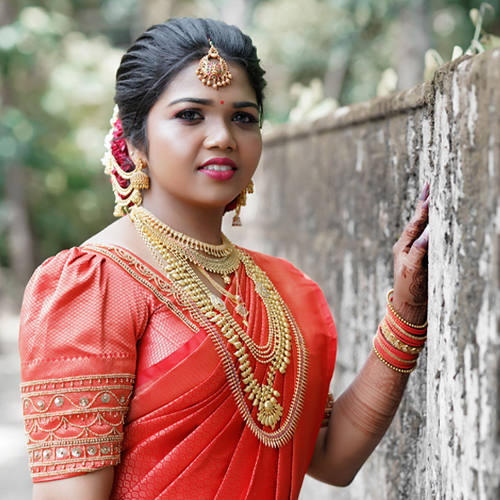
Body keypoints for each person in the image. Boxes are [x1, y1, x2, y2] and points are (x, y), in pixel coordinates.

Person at [19, 17, 430, 500]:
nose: (223, 137)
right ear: (134, 142)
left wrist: (406, 315)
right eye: (191, 115)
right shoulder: (93, 288)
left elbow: (331, 458)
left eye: (243, 117)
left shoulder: (284, 289)